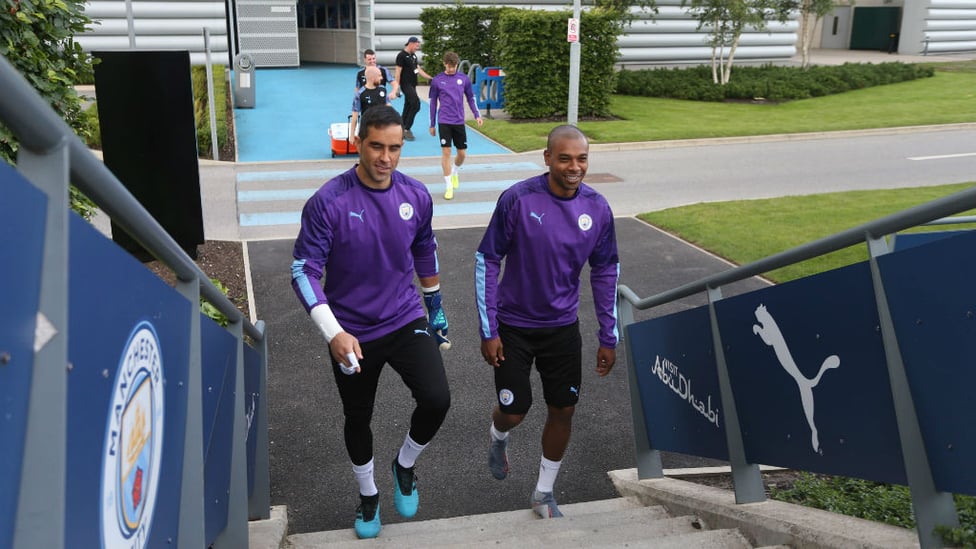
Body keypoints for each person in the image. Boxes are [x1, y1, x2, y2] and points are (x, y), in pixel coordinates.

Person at [291, 106, 452, 539]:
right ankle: (367, 495)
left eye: (394, 148)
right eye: (376, 146)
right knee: (358, 416)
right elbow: (303, 271)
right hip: (352, 333)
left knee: (437, 399)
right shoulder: (329, 201)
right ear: (358, 143)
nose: (385, 157)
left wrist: (434, 304)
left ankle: (404, 465)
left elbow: (424, 249)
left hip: (404, 317)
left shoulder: (416, 195)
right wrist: (333, 332)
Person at [474, 125, 620, 519]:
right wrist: (489, 330)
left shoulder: (598, 208)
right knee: (515, 411)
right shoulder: (518, 200)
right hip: (514, 328)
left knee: (563, 410)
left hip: (561, 329)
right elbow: (487, 259)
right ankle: (498, 433)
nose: (575, 167)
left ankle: (543, 492)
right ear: (547, 158)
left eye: (582, 158)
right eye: (565, 158)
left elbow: (605, 271)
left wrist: (609, 335)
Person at [428, 51, 483, 200]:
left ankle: (455, 171)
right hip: (444, 121)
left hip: (459, 121)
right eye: (449, 66)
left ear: (457, 65)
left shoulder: (463, 79)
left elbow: (471, 98)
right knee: (446, 153)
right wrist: (432, 123)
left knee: (462, 154)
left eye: (454, 66)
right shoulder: (437, 80)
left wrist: (477, 114)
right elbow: (433, 103)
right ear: (444, 64)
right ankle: (448, 186)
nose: (451, 69)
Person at [394, 36, 433, 141]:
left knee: (408, 105)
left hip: (413, 84)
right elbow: (398, 71)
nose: (417, 48)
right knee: (416, 104)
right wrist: (396, 87)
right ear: (410, 43)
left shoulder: (413, 56)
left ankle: (401, 128)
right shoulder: (401, 56)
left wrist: (430, 78)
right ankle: (406, 128)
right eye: (416, 45)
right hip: (406, 85)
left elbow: (418, 69)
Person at [350, 65, 391, 135]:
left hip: (382, 127)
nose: (381, 78)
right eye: (379, 76)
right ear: (372, 78)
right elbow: (355, 115)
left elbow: (389, 108)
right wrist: (352, 135)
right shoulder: (360, 94)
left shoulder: (383, 89)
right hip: (367, 128)